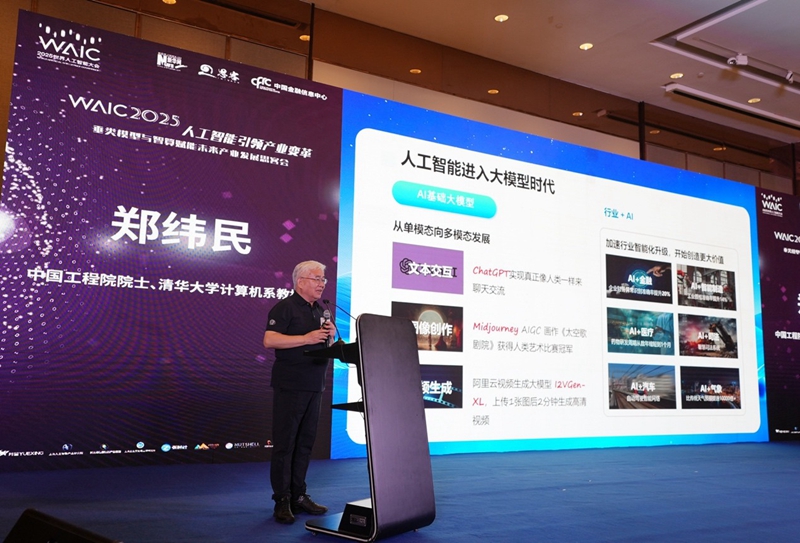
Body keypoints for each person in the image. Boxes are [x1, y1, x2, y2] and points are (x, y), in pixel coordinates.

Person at [263, 260, 335, 525]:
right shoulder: (285, 307)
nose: (322, 283)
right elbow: (269, 340)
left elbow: (325, 345)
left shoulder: (321, 310)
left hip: (315, 384)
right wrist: (307, 338)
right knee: (286, 444)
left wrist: (330, 336)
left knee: (305, 443)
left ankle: (298, 495)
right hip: (291, 385)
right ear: (300, 281)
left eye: (323, 279)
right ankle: (282, 499)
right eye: (317, 278)